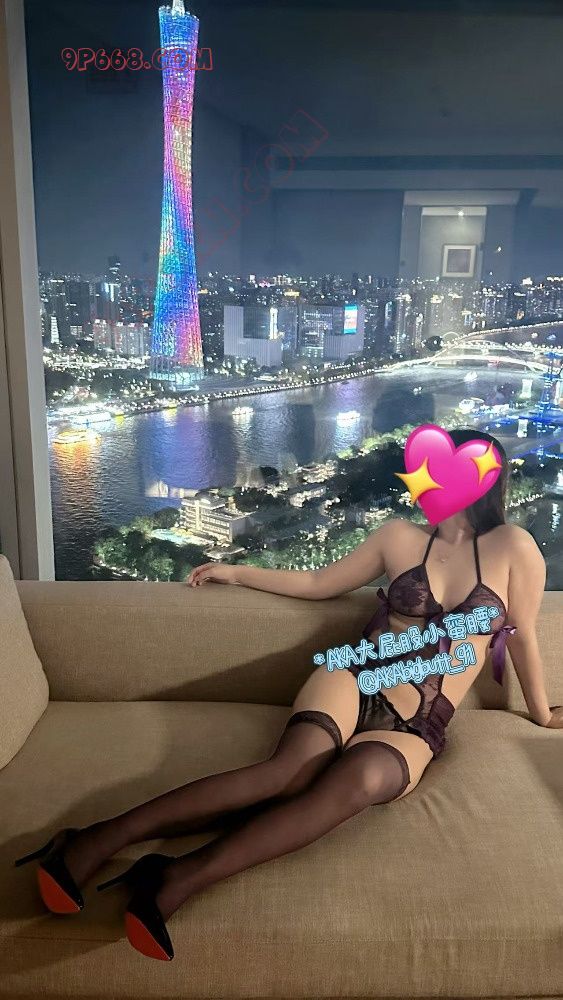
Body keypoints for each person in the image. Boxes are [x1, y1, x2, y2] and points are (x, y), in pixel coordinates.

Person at [15, 428, 563, 962]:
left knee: (356, 784)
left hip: (420, 717)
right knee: (288, 774)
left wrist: (540, 713)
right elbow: (319, 584)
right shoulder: (398, 536)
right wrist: (236, 572)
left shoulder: (514, 548)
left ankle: (175, 873)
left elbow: (521, 638)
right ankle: (96, 840)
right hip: (355, 675)